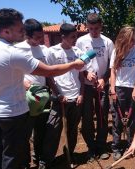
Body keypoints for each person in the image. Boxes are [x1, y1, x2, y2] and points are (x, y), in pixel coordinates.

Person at [0, 8, 85, 169]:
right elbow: (50, 71)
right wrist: (74, 64)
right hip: (11, 113)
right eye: (20, 30)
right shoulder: (13, 53)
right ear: (6, 30)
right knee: (12, 155)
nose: (23, 32)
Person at [44, 23, 85, 168]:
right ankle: (46, 160)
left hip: (75, 98)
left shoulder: (78, 52)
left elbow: (81, 75)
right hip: (60, 99)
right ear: (63, 37)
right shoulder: (52, 52)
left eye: (76, 36)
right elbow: (49, 76)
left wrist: (81, 94)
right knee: (53, 130)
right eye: (72, 36)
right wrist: (58, 94)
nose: (75, 39)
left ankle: (70, 154)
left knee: (72, 130)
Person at [15, 18, 53, 168]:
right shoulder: (18, 50)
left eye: (41, 36)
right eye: (37, 37)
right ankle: (25, 163)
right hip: (26, 98)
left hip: (42, 96)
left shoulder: (44, 50)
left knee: (41, 130)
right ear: (27, 35)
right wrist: (23, 82)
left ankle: (38, 158)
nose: (40, 40)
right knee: (25, 132)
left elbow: (49, 73)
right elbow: (12, 73)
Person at [76, 13, 114, 161]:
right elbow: (78, 63)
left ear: (101, 26)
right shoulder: (80, 41)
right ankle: (91, 147)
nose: (94, 31)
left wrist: (104, 79)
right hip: (85, 86)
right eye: (91, 28)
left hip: (101, 86)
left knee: (103, 116)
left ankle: (101, 146)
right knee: (87, 118)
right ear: (87, 27)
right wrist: (86, 74)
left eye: (96, 28)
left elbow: (112, 66)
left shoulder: (108, 42)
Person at [110, 26, 135, 161]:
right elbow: (113, 71)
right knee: (117, 119)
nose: (132, 43)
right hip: (119, 87)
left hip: (134, 88)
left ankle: (131, 145)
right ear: (123, 39)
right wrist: (112, 89)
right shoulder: (116, 51)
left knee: (133, 119)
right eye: (129, 40)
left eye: (134, 40)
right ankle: (116, 147)